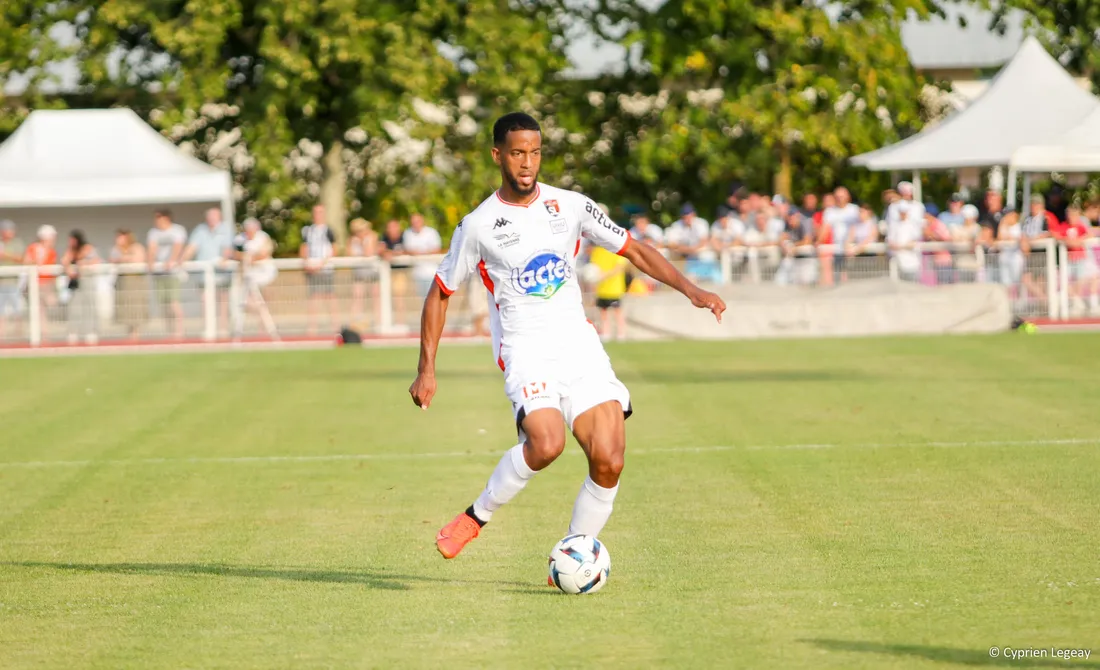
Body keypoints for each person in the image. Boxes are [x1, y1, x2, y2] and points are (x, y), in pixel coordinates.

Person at [411, 112, 725, 564]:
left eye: (535, 153)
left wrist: (691, 290)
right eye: (517, 153)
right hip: (526, 349)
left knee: (610, 458)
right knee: (546, 443)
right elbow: (440, 294)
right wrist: (427, 370)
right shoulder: (478, 225)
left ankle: (576, 552)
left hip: (578, 347)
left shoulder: (571, 205)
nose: (527, 163)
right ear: (498, 155)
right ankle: (475, 517)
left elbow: (631, 247)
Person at [146, 209, 187, 339]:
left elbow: (178, 246)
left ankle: (179, 331)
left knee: (174, 302)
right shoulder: (153, 232)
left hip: (173, 273)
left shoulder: (177, 230)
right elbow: (152, 248)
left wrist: (171, 261)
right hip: (160, 273)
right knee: (163, 304)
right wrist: (151, 262)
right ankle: (169, 332)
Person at [300, 204, 338, 335]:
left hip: (326, 268)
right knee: (313, 297)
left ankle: (335, 327)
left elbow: (334, 249)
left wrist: (322, 264)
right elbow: (304, 247)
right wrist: (307, 263)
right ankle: (312, 327)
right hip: (312, 268)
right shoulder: (308, 230)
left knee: (330, 296)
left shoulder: (329, 230)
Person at [60, 229, 101, 345]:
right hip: (75, 283)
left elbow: (96, 261)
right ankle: (73, 332)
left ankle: (91, 332)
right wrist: (69, 268)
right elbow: (65, 261)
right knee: (74, 307)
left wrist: (82, 264)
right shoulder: (71, 251)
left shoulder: (88, 248)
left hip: (87, 280)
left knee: (90, 306)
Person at [109, 230, 148, 341]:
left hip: (135, 280)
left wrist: (124, 258)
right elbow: (112, 259)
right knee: (125, 307)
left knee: (136, 306)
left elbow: (138, 259)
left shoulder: (137, 247)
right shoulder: (116, 249)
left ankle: (136, 332)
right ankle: (129, 332)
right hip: (122, 281)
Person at [23, 225, 60, 340]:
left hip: (47, 284)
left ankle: (44, 332)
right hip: (36, 284)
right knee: (38, 309)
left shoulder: (52, 251)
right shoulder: (34, 248)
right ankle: (39, 333)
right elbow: (27, 262)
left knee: (50, 306)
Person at [588, 243, 629, 341]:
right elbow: (593, 268)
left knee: (617, 312)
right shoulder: (596, 251)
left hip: (614, 288)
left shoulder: (616, 250)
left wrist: (605, 275)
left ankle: (621, 334)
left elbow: (619, 267)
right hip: (601, 288)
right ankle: (606, 333)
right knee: (603, 311)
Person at [347, 218, 380, 329]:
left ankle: (378, 321)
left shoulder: (372, 237)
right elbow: (350, 254)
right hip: (359, 271)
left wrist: (363, 242)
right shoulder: (352, 240)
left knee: (375, 296)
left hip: (372, 270)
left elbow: (369, 252)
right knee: (357, 296)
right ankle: (355, 321)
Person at [0, 220, 26, 337]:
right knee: (1, 311)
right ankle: (2, 334)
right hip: (1, 282)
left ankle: (19, 333)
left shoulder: (17, 243)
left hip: (14, 282)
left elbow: (21, 258)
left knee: (18, 308)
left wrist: (5, 255)